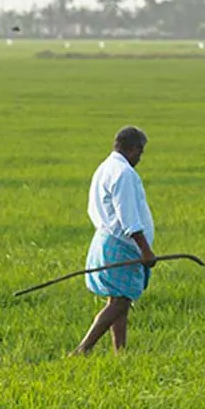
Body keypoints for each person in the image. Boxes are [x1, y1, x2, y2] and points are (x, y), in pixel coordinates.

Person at [74, 126, 157, 355]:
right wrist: (145, 249)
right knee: (120, 302)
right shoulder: (123, 173)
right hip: (122, 244)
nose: (140, 158)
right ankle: (83, 349)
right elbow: (128, 215)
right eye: (140, 153)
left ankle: (119, 352)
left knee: (120, 300)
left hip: (106, 239)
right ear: (133, 149)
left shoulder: (106, 167)